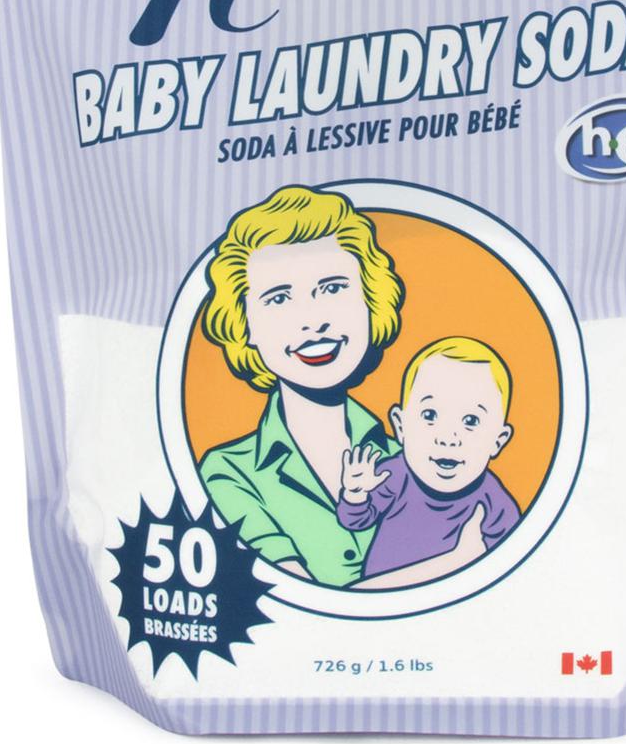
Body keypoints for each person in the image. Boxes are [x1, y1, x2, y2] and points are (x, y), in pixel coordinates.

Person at [198, 185, 487, 587]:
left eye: (332, 288)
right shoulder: (228, 472)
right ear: (245, 327)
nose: (312, 321)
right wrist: (455, 562)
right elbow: (298, 602)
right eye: (279, 298)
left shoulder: (416, 457)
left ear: (370, 302)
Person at [336, 336, 520, 581]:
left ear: (498, 440)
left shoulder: (494, 501)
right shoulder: (393, 475)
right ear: (400, 426)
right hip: (383, 596)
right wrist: (355, 494)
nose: (448, 438)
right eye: (430, 415)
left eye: (471, 421)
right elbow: (356, 522)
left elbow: (514, 563)